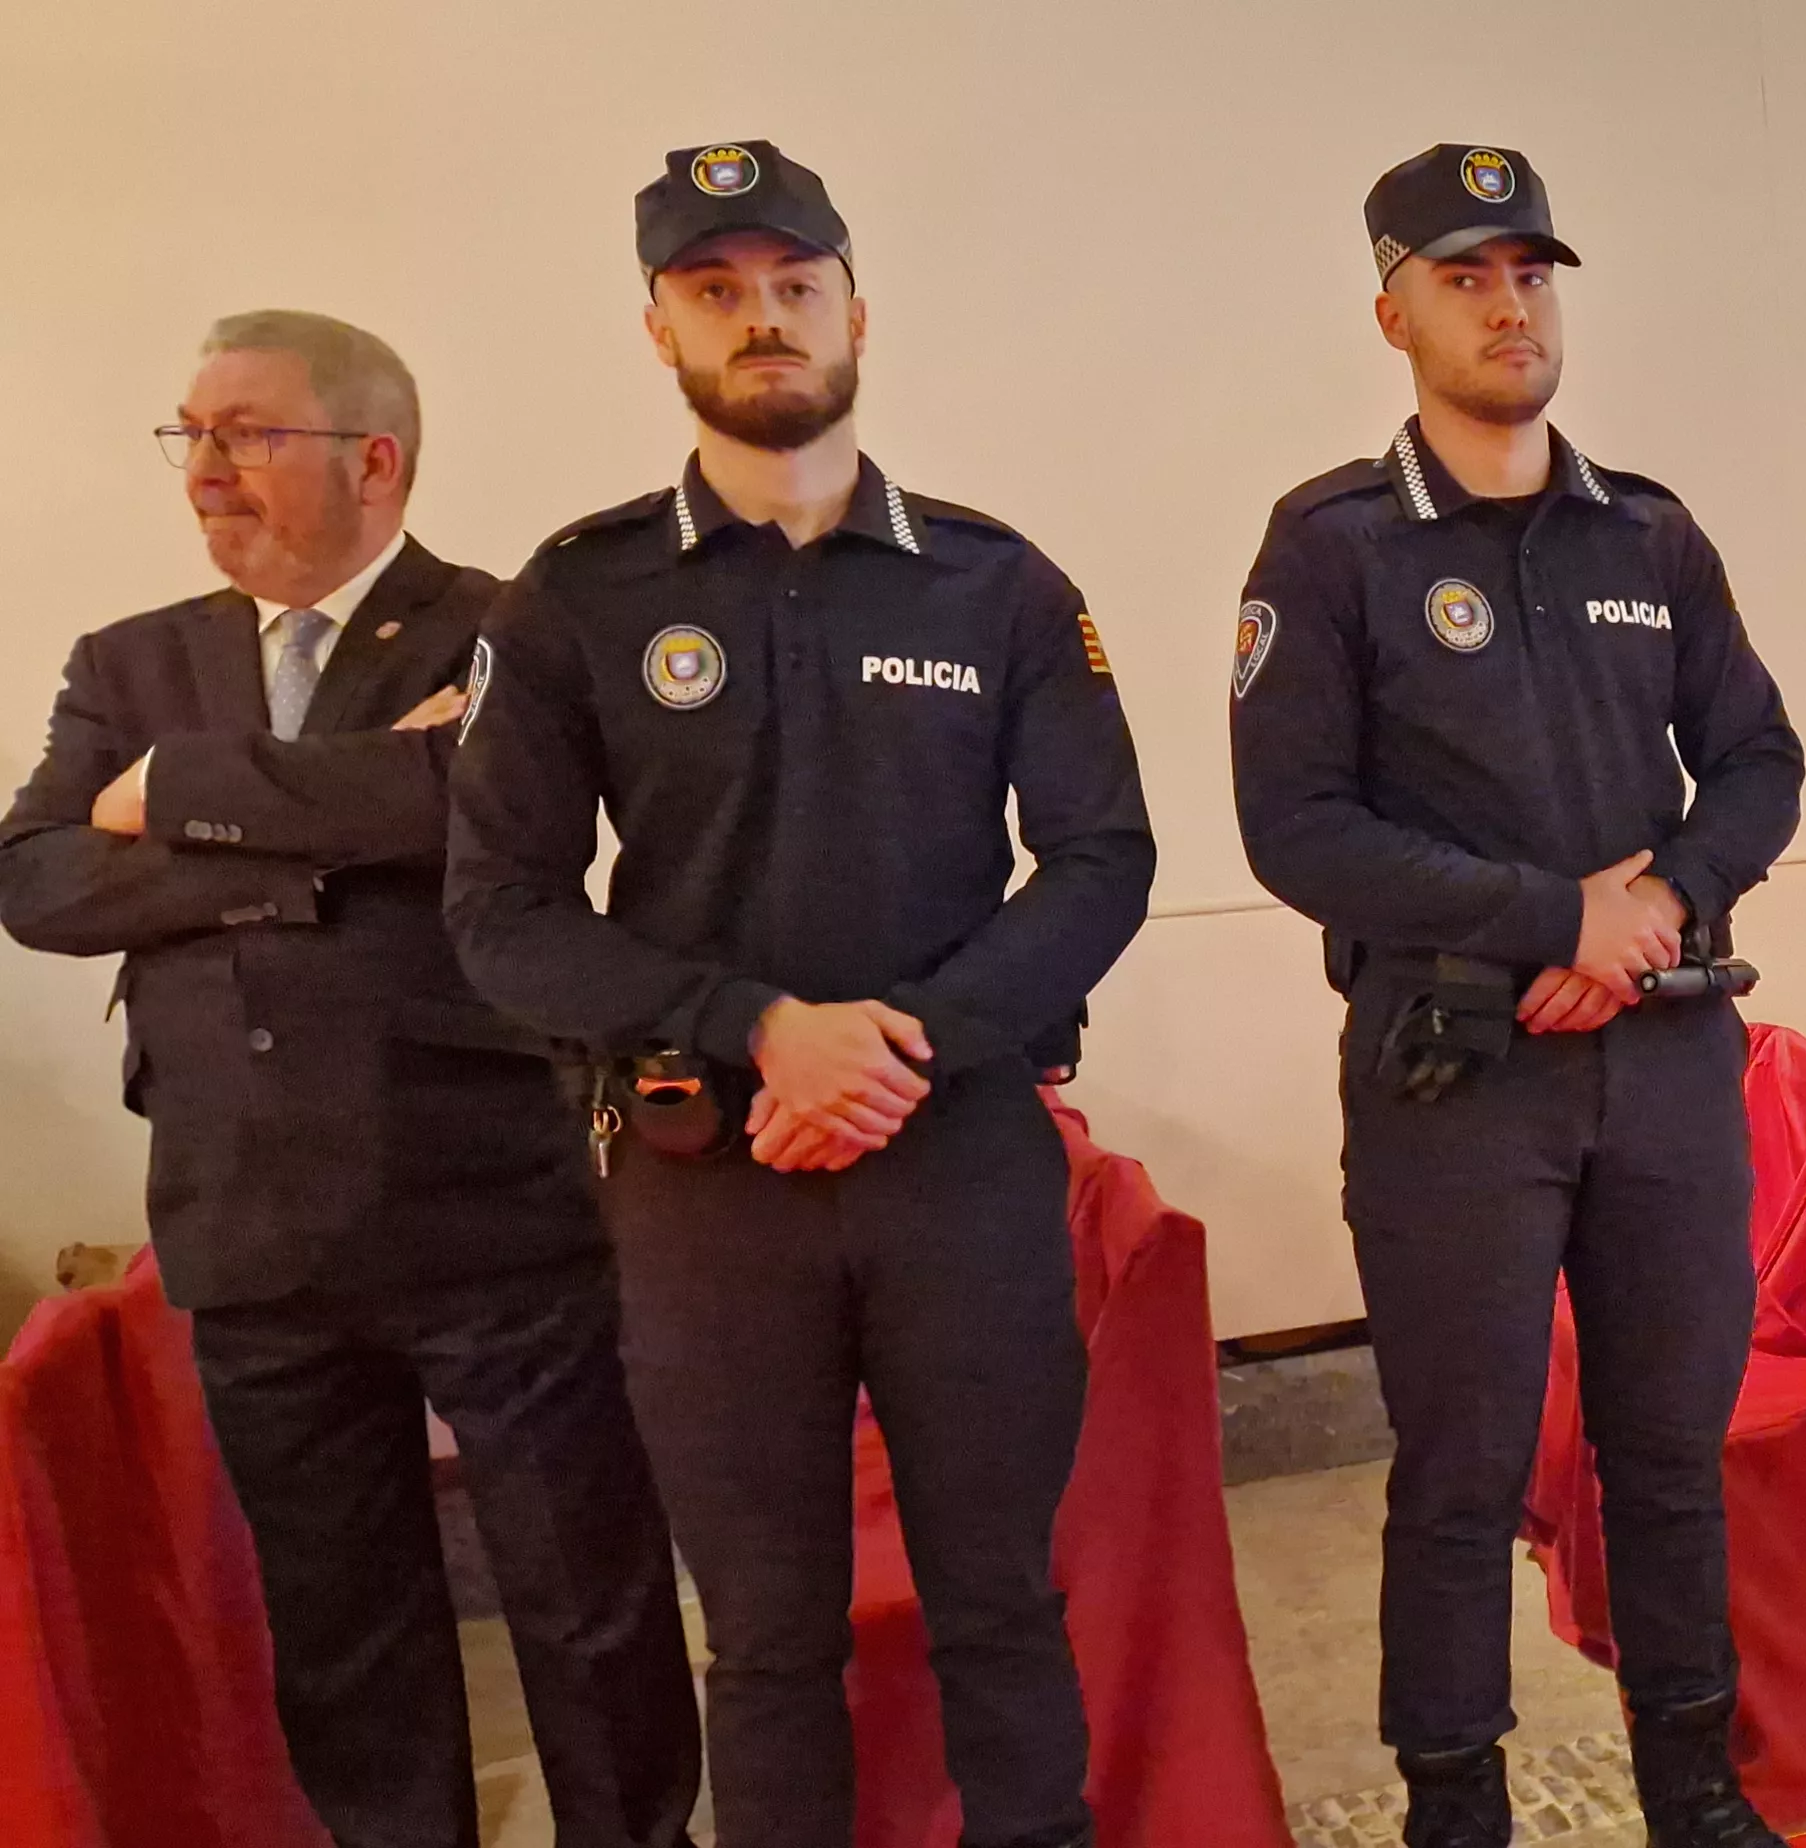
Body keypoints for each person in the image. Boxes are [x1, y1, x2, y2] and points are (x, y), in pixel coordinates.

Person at [446, 142, 1154, 1848]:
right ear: (659, 328)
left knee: (998, 1600)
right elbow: (505, 916)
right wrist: (759, 1024)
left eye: (793, 284)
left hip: (959, 1162)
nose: (761, 319)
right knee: (763, 1640)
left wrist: (901, 1047)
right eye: (716, 290)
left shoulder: (999, 583)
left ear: (854, 308)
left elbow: (1100, 860)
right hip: (710, 1186)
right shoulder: (579, 595)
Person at [1, 311, 700, 1848]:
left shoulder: (512, 627)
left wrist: (179, 797)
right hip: (246, 1220)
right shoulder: (132, 661)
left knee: (589, 1605)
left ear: (373, 457)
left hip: (488, 1208)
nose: (205, 472)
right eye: (189, 434)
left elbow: (485, 810)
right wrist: (321, 847)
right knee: (345, 1633)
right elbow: (38, 881)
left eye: (246, 432)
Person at [1227, 144, 1803, 1848]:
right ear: (1393, 308)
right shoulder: (1331, 545)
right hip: (1453, 1077)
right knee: (1463, 1472)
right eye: (1468, 276)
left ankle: (1696, 1784)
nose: (1508, 305)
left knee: (1672, 1452)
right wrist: (1557, 916)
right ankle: (1454, 1802)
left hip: (1670, 1063)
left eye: (1532, 273)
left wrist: (1664, 904)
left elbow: (1761, 761)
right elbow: (1297, 826)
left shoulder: (1650, 530)